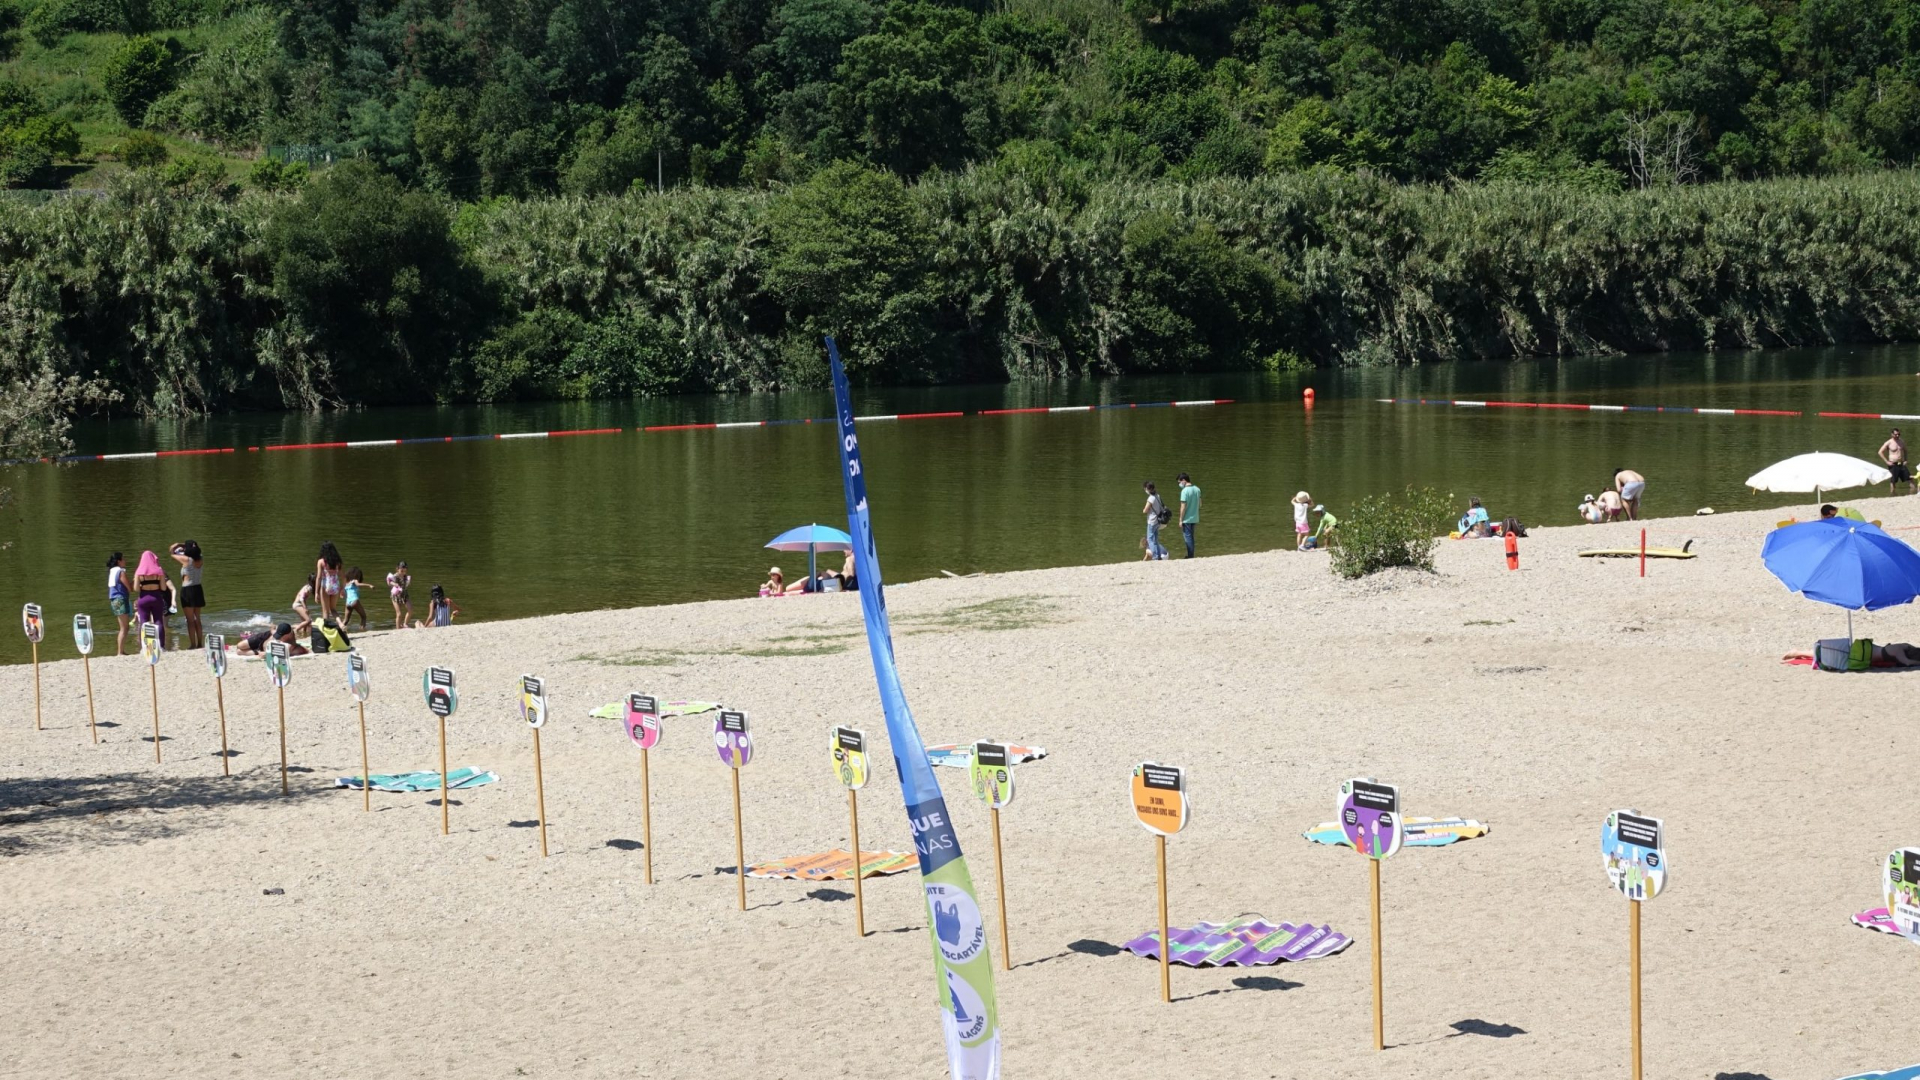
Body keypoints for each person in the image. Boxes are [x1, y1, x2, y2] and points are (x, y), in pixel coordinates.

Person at [131, 550, 173, 649]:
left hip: (143, 598)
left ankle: (144, 647)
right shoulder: (159, 571)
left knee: (143, 622)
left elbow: (136, 588)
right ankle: (161, 646)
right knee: (158, 621)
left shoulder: (139, 573)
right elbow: (163, 588)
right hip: (156, 597)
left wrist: (143, 585)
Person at [169, 540, 206, 649]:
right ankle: (200, 643)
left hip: (188, 590)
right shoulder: (200, 559)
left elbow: (171, 552)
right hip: (198, 588)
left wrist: (179, 544)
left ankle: (193, 644)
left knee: (190, 620)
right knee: (197, 618)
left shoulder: (186, 560)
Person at [107, 551, 133, 655]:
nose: (125, 561)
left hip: (114, 600)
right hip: (121, 599)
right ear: (119, 561)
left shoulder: (112, 571)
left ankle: (121, 651)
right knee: (124, 627)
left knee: (123, 627)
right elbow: (129, 588)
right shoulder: (120, 572)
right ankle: (120, 652)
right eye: (123, 559)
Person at [236, 621, 308, 656]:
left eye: (281, 636)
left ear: (288, 635)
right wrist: (272, 629)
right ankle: (251, 638)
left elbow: (264, 655)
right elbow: (273, 631)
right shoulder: (280, 632)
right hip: (265, 636)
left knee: (239, 651)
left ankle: (256, 651)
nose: (279, 638)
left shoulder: (290, 644)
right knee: (239, 646)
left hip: (263, 649)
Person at [314, 541, 345, 621]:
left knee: (325, 611)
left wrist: (316, 592)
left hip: (326, 586)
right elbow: (343, 577)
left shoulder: (321, 562)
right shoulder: (337, 562)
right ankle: (341, 624)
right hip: (335, 586)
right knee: (333, 609)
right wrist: (343, 589)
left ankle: (326, 629)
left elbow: (319, 577)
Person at [1880, 429, 1914, 494]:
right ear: (1892, 434)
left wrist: (1906, 460)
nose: (1897, 435)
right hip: (1893, 464)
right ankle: (1893, 493)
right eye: (1896, 434)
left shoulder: (1901, 441)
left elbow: (1905, 451)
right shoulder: (1888, 442)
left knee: (1909, 477)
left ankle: (1913, 492)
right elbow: (1880, 452)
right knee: (1893, 481)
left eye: (1898, 434)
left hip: (1900, 463)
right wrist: (1886, 461)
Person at [1142, 481, 1168, 561]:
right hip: (1158, 521)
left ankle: (1155, 556)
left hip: (1152, 521)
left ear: (1147, 489)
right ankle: (1158, 556)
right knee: (1156, 539)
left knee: (1150, 539)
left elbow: (1145, 510)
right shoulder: (1158, 496)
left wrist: (1144, 510)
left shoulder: (1151, 498)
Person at [1176, 472, 1201, 558]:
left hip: (1186, 518)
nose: (1179, 484)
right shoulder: (1197, 489)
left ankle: (1190, 556)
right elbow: (1200, 503)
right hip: (1195, 517)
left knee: (1188, 538)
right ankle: (1191, 555)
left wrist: (1180, 520)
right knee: (1191, 537)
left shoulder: (1184, 491)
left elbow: (1183, 507)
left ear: (1183, 481)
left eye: (1179, 482)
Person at [342, 567, 370, 631]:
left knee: (345, 620)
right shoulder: (354, 580)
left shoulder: (346, 583)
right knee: (363, 617)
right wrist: (369, 585)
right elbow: (358, 584)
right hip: (354, 601)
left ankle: (338, 630)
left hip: (348, 602)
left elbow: (344, 594)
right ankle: (362, 630)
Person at [386, 561, 412, 629]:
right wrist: (394, 584)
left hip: (404, 595)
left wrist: (408, 583)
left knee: (410, 610)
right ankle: (398, 629)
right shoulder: (395, 576)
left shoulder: (405, 576)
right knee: (399, 614)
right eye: (402, 570)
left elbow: (406, 585)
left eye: (405, 569)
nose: (403, 571)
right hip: (396, 596)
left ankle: (405, 624)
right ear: (398, 569)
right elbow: (389, 581)